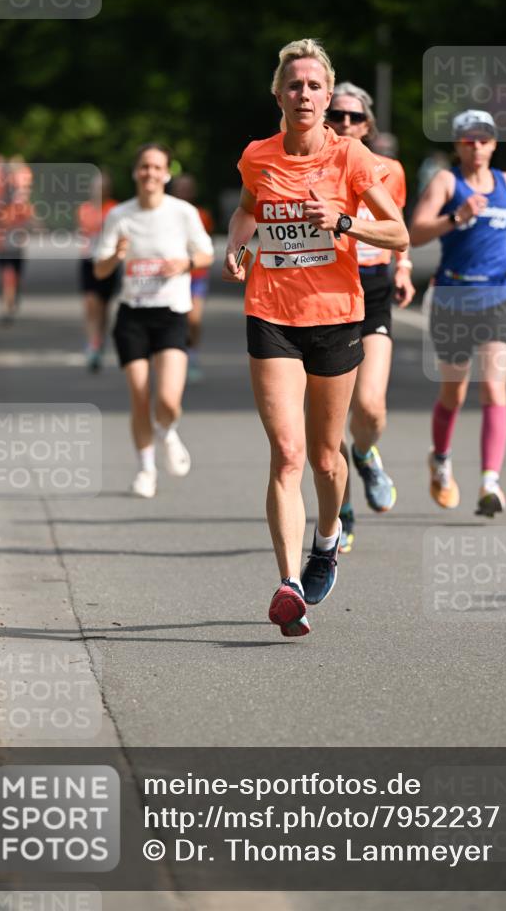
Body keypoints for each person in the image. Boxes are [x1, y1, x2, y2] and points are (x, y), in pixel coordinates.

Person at [222, 39, 409, 637]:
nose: (304, 94)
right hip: (270, 313)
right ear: (278, 93)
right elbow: (247, 210)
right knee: (288, 454)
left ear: (328, 97)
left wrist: (346, 221)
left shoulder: (351, 157)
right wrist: (235, 245)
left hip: (334, 315)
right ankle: (288, 585)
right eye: (294, 85)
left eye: (314, 86)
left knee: (328, 459)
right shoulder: (257, 156)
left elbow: (399, 233)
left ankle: (325, 543)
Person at [409, 109, 506, 517]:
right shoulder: (447, 182)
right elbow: (416, 231)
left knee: (494, 388)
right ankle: (440, 459)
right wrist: (455, 217)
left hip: (501, 296)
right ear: (458, 145)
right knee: (453, 393)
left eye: (483, 139)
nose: (476, 146)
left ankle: (489, 482)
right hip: (453, 299)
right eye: (467, 139)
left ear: (494, 144)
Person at [94, 144, 214, 498]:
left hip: (171, 314)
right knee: (139, 395)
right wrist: (115, 255)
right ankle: (146, 469)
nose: (150, 173)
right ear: (136, 172)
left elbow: (206, 253)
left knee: (167, 400)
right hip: (132, 315)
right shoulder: (119, 215)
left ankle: (168, 432)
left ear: (166, 174)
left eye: (156, 167)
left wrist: (186, 264)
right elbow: (99, 270)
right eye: (144, 166)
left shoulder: (183, 212)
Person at [325, 82, 414, 554]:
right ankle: (341, 510)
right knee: (328, 417)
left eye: (354, 118)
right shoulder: (312, 165)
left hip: (373, 287)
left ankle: (364, 454)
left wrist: (404, 267)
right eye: (336, 115)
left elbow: (396, 227)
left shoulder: (390, 169)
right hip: (324, 289)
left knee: (370, 407)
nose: (345, 124)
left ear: (369, 125)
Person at [169, 174, 215, 381]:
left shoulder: (202, 214)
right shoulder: (165, 213)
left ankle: (193, 354)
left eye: (188, 188)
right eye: (180, 188)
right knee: (174, 319)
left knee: (193, 319)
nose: (184, 192)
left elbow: (206, 246)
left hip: (196, 275)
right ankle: (173, 358)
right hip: (173, 276)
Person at [77, 171, 119, 371]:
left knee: (103, 306)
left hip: (108, 262)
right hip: (88, 261)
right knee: (90, 302)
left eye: (102, 187)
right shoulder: (84, 209)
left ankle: (99, 340)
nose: (98, 191)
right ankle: (92, 343)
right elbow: (83, 234)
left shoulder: (114, 209)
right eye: (95, 187)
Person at [0, 156, 35, 324]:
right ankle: (7, 307)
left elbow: (29, 221)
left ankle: (12, 299)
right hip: (5, 248)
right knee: (8, 276)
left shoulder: (19, 205)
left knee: (14, 276)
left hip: (15, 247)